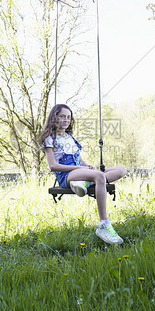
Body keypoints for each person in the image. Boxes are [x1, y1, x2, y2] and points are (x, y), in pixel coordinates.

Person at [39, 104, 128, 245]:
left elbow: (79, 159)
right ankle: (104, 224)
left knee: (121, 170)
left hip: (77, 170)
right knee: (99, 176)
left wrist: (86, 166)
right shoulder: (49, 139)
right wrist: (77, 168)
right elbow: (53, 166)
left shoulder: (70, 137)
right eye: (62, 116)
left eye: (68, 117)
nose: (66, 120)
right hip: (65, 176)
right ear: (54, 117)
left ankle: (85, 182)